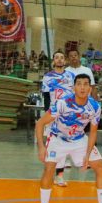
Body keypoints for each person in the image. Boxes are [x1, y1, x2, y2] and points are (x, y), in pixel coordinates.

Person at [33, 73, 102, 203]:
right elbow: (40, 124)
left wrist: (87, 155)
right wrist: (41, 147)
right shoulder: (62, 103)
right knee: (49, 169)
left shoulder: (94, 107)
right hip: (57, 139)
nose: (82, 87)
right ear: (74, 87)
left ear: (90, 88)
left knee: (100, 166)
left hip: (79, 140)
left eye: (86, 84)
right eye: (79, 84)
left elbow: (93, 132)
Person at [40, 51, 74, 187]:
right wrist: (48, 114)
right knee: (51, 145)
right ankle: (49, 172)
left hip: (66, 114)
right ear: (53, 61)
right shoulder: (48, 77)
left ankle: (59, 176)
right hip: (53, 114)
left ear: (64, 61)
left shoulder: (70, 76)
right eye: (57, 58)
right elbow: (47, 97)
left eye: (61, 57)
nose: (59, 60)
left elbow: (74, 96)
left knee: (64, 145)